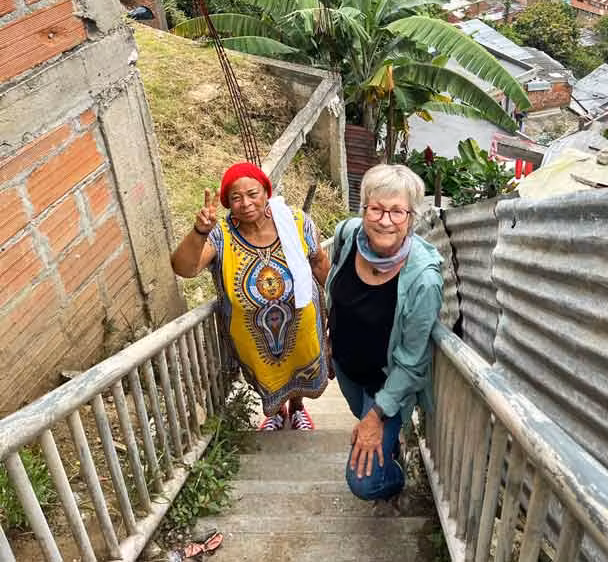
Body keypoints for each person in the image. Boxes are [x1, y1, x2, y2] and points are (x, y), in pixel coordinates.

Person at [171, 162, 330, 431]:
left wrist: (341, 302)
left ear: (266, 193)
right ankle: (277, 412)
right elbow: (185, 268)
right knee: (268, 372)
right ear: (227, 203)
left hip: (301, 324)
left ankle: (298, 408)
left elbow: (318, 260)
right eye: (236, 197)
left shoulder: (296, 221)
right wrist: (199, 232)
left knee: (301, 365)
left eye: (252, 194)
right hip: (253, 334)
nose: (245, 203)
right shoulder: (221, 234)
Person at [326, 164, 443, 506]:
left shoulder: (424, 279)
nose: (385, 220)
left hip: (386, 384)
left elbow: (412, 363)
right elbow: (337, 289)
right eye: (376, 209)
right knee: (359, 414)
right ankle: (385, 438)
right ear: (363, 209)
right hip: (347, 370)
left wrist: (375, 417)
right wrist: (330, 340)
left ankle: (396, 476)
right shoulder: (347, 236)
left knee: (365, 482)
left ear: (411, 217)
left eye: (397, 211)